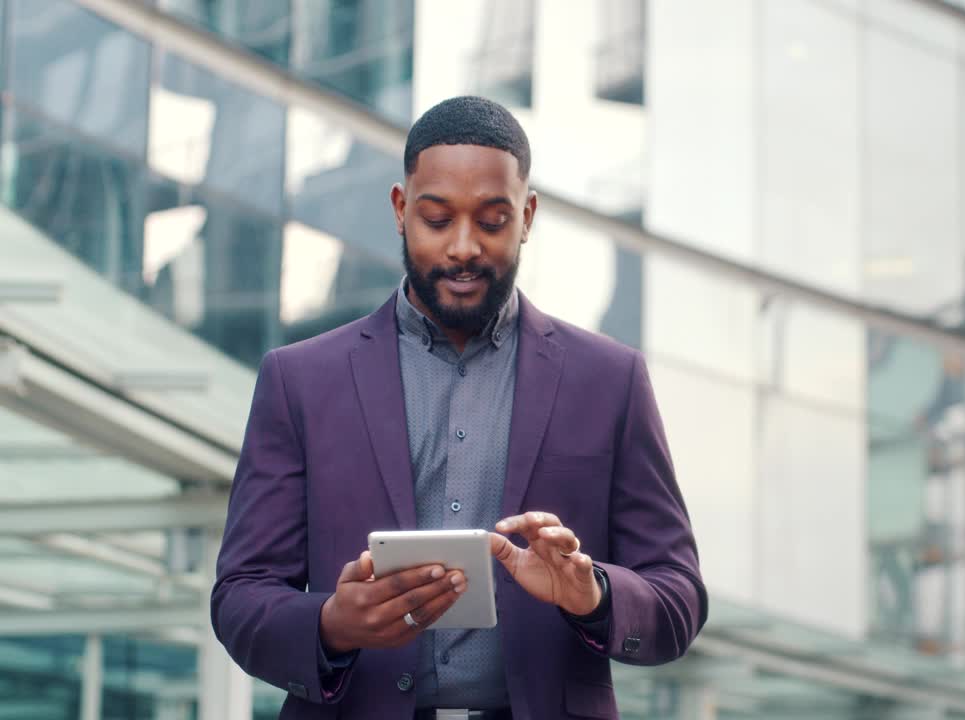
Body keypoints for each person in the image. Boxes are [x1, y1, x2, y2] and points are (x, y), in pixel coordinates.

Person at [210, 96, 707, 719]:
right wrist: (333, 623)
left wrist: (595, 593)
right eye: (438, 219)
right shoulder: (300, 380)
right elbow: (240, 596)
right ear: (400, 210)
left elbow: (678, 595)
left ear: (526, 216)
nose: (465, 247)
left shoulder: (610, 379)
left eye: (493, 221)